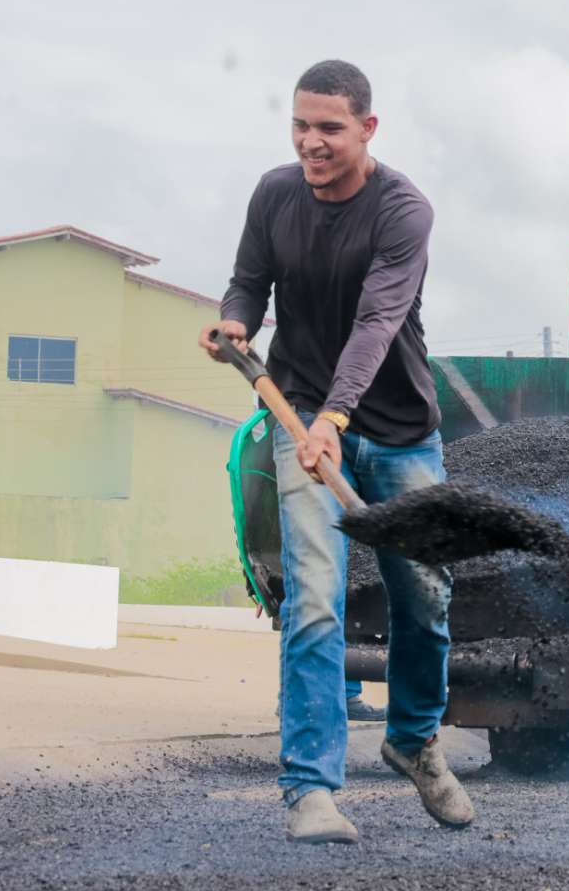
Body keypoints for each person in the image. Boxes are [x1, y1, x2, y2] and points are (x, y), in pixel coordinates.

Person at [200, 58, 474, 845]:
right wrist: (235, 322)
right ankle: (311, 789)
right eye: (300, 125)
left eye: (329, 127)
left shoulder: (403, 211)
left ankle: (413, 738)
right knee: (315, 599)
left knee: (425, 596)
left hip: (394, 430)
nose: (311, 142)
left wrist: (339, 417)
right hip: (298, 420)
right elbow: (249, 281)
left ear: (367, 129)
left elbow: (376, 322)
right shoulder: (274, 194)